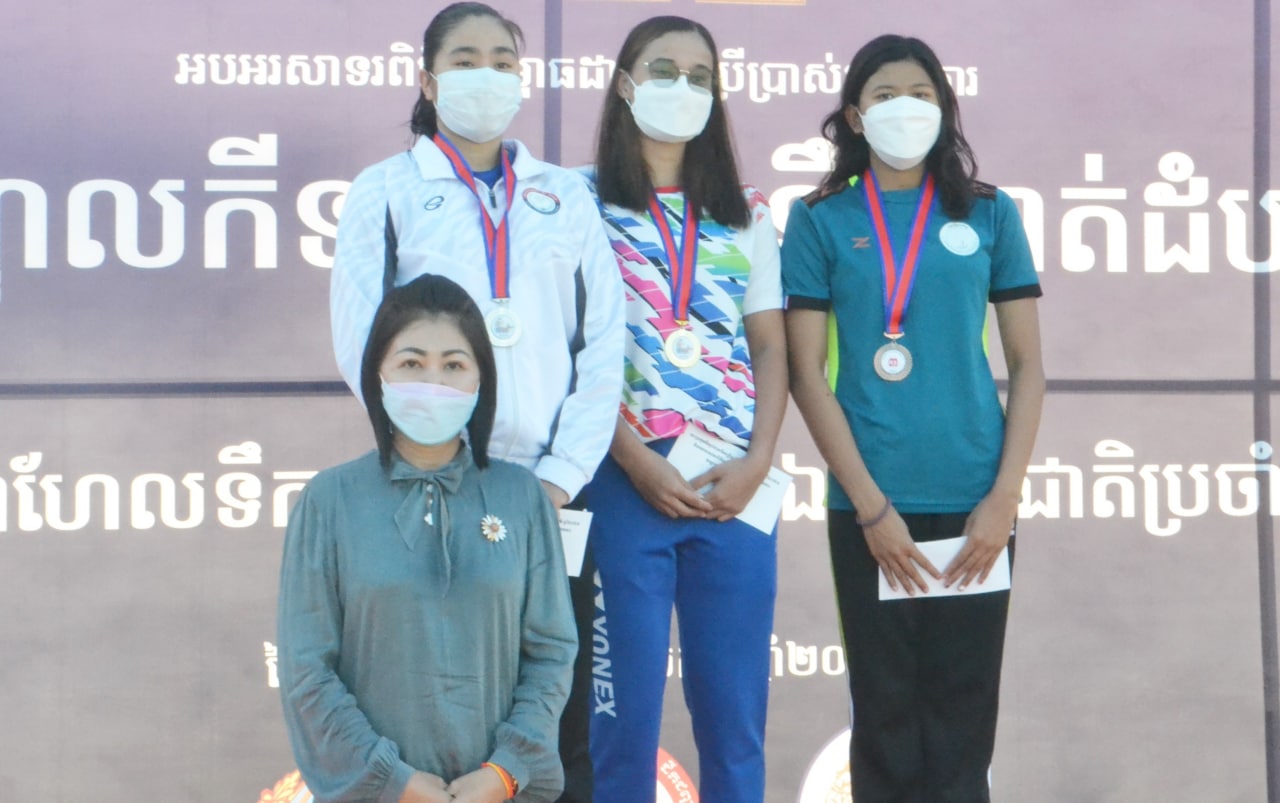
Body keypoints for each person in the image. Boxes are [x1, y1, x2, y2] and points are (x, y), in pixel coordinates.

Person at [328, 5, 624, 799]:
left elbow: (603, 342)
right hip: (436, 480)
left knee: (553, 711)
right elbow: (361, 342)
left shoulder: (564, 195)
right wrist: (431, 455)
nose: (485, 75)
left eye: (502, 60)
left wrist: (560, 476)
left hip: (552, 493)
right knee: (434, 702)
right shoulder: (386, 190)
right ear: (429, 81)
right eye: (465, 59)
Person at [781, 34, 1045, 803]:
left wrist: (1002, 500)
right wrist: (870, 508)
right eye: (886, 94)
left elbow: (1029, 366)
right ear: (855, 116)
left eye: (922, 94)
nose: (906, 108)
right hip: (871, 509)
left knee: (964, 722)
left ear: (945, 108)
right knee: (887, 720)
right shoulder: (820, 219)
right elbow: (805, 374)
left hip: (976, 505)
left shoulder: (990, 213)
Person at [579, 16, 788, 803]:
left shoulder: (747, 211)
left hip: (732, 486)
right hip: (621, 480)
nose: (683, 88)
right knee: (621, 729)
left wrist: (759, 459)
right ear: (625, 84)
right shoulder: (576, 200)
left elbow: (769, 346)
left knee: (735, 727)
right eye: (663, 70)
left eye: (700, 77)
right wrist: (632, 458)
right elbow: (569, 348)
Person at [278, 273, 576, 803]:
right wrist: (392, 780)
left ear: (481, 380)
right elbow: (307, 668)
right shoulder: (329, 500)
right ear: (378, 373)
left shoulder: (521, 496)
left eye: (454, 365)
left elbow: (551, 653)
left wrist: (505, 771)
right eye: (412, 364)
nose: (433, 382)